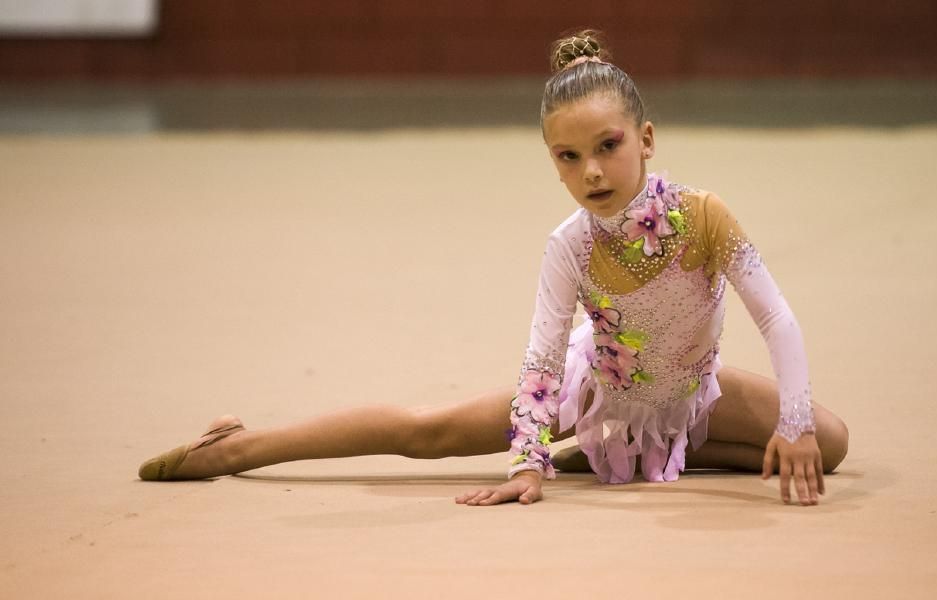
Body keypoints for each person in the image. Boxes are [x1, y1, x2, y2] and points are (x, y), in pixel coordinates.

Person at [139, 30, 848, 506]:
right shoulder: (570, 243)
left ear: (646, 138)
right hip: (594, 385)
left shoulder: (703, 216)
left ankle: (612, 456)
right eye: (568, 158)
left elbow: (775, 317)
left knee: (829, 440)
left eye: (607, 145)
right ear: (552, 163)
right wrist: (526, 460)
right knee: (430, 433)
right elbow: (542, 357)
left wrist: (794, 422)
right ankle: (237, 447)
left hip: (693, 392)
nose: (591, 171)